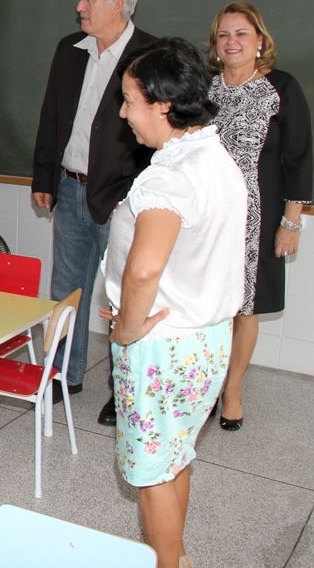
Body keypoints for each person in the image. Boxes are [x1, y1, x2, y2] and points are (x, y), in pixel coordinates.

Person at [104, 38, 246, 568]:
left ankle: (168, 563)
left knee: (151, 472)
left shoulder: (168, 176)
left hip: (163, 347)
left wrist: (126, 327)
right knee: (174, 455)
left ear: (162, 105)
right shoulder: (215, 156)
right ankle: (176, 557)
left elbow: (145, 268)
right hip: (207, 339)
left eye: (129, 100)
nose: (124, 113)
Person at [30, 0, 156, 425]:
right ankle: (64, 374)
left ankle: (121, 390)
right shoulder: (70, 49)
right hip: (68, 184)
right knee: (67, 289)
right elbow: (51, 116)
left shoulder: (149, 54)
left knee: (123, 297)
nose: (78, 6)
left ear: (117, 5)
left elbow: (163, 131)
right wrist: (43, 178)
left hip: (121, 195)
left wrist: (138, 195)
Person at [206, 1, 313, 430]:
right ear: (215, 45)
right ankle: (209, 384)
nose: (232, 42)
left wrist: (291, 221)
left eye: (241, 34)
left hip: (259, 218)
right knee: (210, 306)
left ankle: (232, 391)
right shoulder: (205, 90)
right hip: (208, 218)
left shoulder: (281, 88)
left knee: (245, 308)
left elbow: (299, 158)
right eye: (224, 35)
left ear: (260, 41)